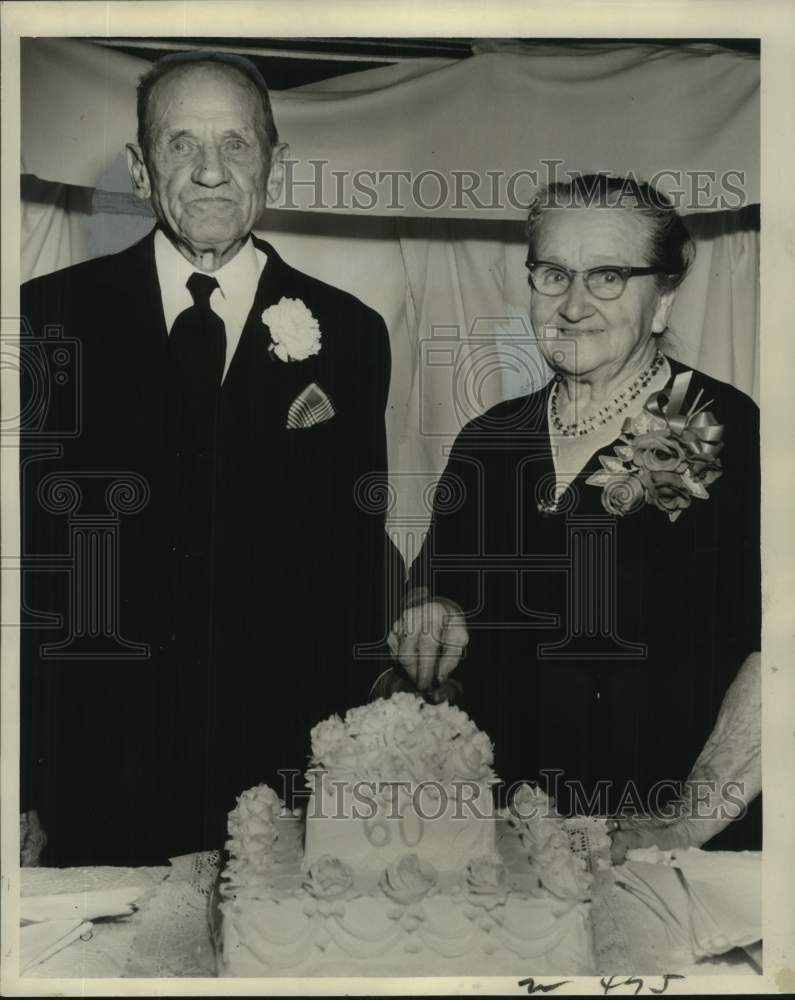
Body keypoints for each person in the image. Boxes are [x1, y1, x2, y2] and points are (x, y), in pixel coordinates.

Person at [20, 51, 400, 866]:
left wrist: (350, 770)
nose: (209, 171)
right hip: (92, 769)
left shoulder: (353, 334)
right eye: (180, 144)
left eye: (234, 144)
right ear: (138, 167)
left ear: (274, 163)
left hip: (279, 775)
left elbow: (351, 556)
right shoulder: (43, 321)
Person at [388, 174, 761, 851]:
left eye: (608, 277)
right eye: (552, 275)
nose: (573, 306)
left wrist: (685, 822)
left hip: (672, 845)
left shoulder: (713, 428)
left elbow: (780, 652)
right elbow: (437, 596)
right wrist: (430, 614)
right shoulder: (491, 440)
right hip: (512, 844)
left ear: (663, 294)